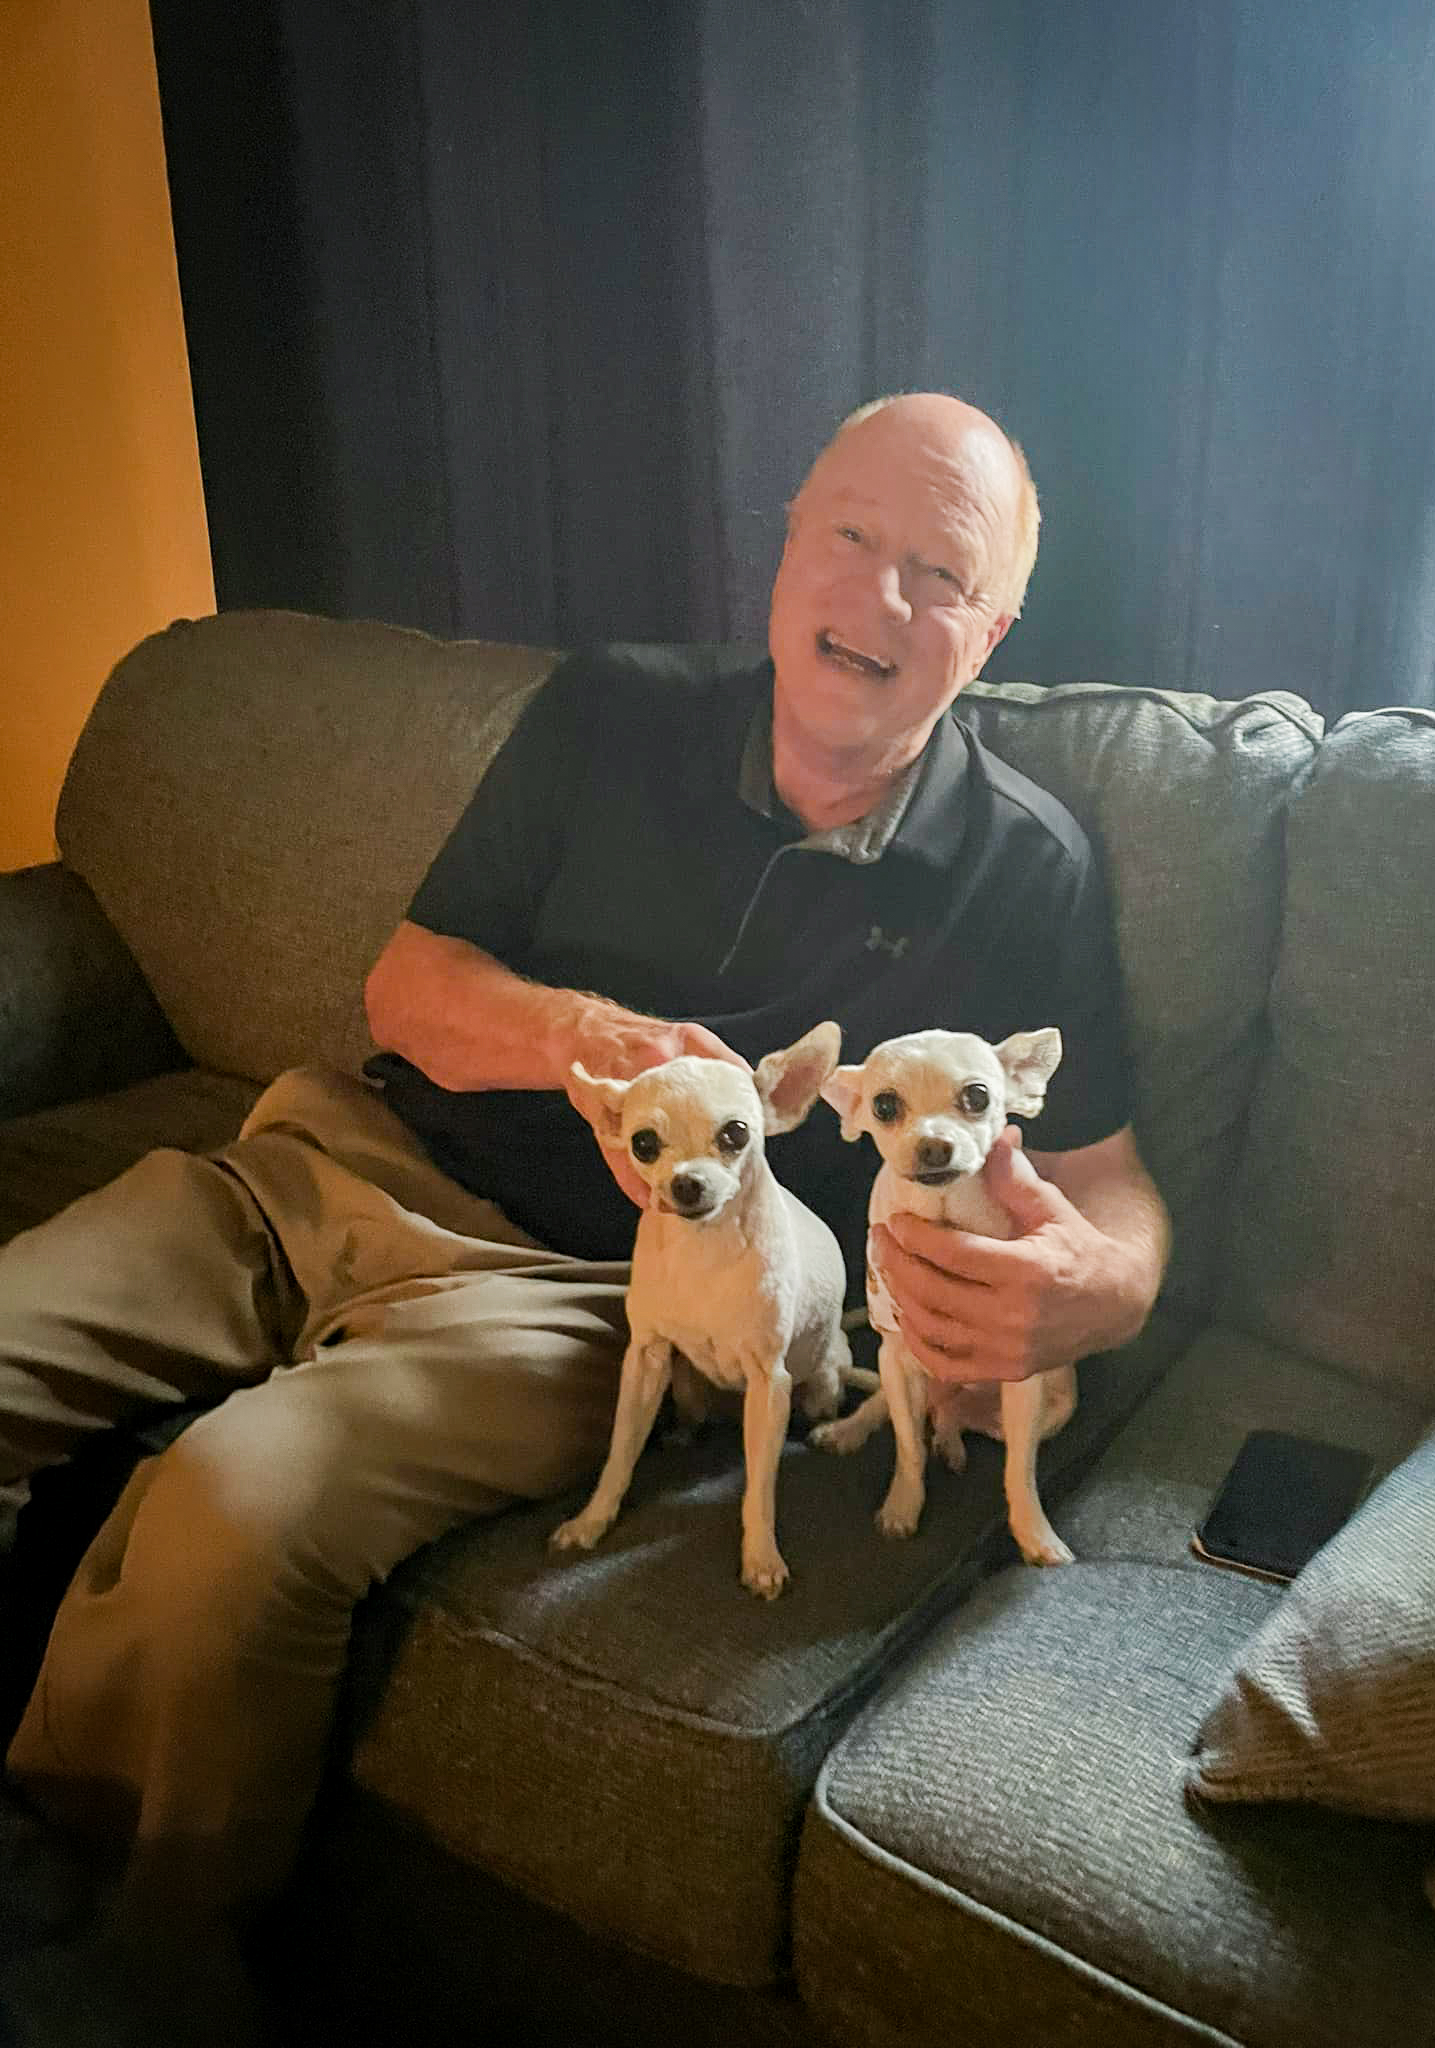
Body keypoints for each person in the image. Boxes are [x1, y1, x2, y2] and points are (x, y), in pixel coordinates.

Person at [0, 392, 1168, 2041]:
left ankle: (113, 1985)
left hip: (589, 1297)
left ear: (991, 628)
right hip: (336, 1166)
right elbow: (404, 990)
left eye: (937, 570)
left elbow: (1109, 1192)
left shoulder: (1022, 867)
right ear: (786, 545)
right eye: (849, 534)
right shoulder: (615, 711)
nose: (880, 596)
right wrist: (578, 1042)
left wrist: (1089, 1290)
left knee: (225, 1516)